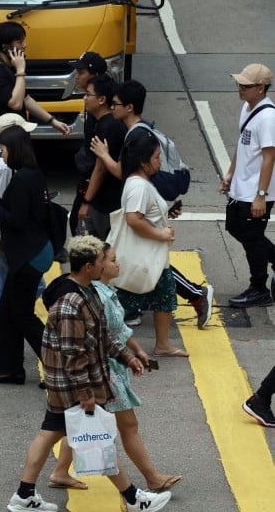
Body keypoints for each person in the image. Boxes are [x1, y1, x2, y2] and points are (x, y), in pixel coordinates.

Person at [4, 234, 172, 512]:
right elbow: (73, 353)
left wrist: (126, 357)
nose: (108, 264)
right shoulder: (72, 303)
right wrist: (86, 393)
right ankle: (134, 499)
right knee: (99, 440)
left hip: (67, 383)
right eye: (104, 260)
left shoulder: (87, 293)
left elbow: (102, 335)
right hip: (72, 385)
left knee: (49, 435)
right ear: (88, 267)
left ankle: (24, 495)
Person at [48, 243, 182, 492]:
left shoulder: (106, 291)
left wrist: (136, 351)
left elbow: (118, 330)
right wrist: (130, 355)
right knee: (124, 425)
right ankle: (150, 478)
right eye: (110, 260)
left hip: (111, 366)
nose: (116, 264)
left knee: (82, 423)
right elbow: (106, 335)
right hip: (105, 370)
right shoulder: (97, 295)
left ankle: (59, 471)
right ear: (94, 266)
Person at [91, 80, 214, 328]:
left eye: (115, 104)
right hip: (149, 205)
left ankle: (193, 296)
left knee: (143, 261)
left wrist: (104, 156)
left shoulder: (136, 137)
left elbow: (125, 173)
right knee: (141, 260)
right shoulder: (141, 131)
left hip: (143, 208)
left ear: (129, 107)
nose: (112, 108)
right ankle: (136, 306)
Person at [0, 127, 54, 384]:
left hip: (29, 256)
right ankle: (10, 369)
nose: (2, 154)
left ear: (15, 149)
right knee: (9, 312)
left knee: (22, 314)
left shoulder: (22, 178)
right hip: (29, 253)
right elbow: (25, 209)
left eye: (5, 149)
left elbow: (17, 220)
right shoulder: (31, 175)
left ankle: (58, 364)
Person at [112, 129, 186, 358]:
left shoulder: (142, 182)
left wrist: (165, 215)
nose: (160, 161)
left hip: (152, 258)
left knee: (165, 296)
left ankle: (162, 343)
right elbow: (133, 219)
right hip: (141, 257)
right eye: (156, 157)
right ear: (144, 162)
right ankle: (105, 343)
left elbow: (145, 214)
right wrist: (162, 234)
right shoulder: (138, 186)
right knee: (120, 304)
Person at [220, 63, 275, 307]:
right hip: (241, 187)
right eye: (239, 84)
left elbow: (270, 157)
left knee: (252, 239)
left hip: (257, 191)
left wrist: (261, 195)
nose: (240, 88)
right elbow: (243, 143)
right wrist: (231, 172)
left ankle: (259, 288)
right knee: (234, 226)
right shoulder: (247, 108)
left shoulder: (268, 118)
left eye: (246, 85)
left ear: (261, 88)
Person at [0, 21, 70, 135]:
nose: (25, 45)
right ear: (5, 47)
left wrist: (52, 121)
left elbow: (26, 99)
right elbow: (16, 104)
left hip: (18, 135)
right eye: (19, 42)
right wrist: (20, 71)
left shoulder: (10, 68)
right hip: (4, 138)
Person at [76, 75, 125, 239]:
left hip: (106, 203)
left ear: (102, 99)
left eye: (88, 94)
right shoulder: (106, 122)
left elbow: (100, 169)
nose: (85, 98)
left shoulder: (107, 126)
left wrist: (86, 202)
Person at [69, 52, 110, 234]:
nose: (76, 75)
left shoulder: (102, 113)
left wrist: (87, 200)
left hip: (98, 186)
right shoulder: (93, 101)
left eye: (81, 71)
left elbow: (101, 165)